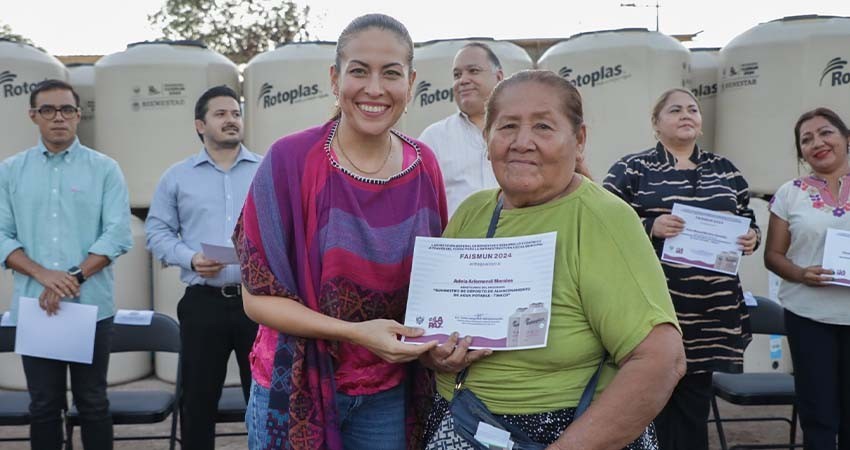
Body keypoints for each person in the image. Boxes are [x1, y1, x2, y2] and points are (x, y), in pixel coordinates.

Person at [422, 70, 685, 450]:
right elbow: (433, 334)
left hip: (566, 435)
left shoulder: (602, 218)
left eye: (543, 127)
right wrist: (438, 357)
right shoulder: (472, 212)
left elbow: (662, 361)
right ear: (487, 138)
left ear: (578, 140)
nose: (522, 142)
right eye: (507, 126)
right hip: (463, 423)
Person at [233, 14, 448, 450]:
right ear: (335, 79)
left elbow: (436, 284)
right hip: (296, 387)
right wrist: (355, 332)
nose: (374, 88)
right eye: (358, 71)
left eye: (391, 73)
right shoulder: (290, 160)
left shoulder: (425, 165)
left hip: (387, 391)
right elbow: (256, 299)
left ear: (411, 83)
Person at [604, 88, 760, 450]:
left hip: (710, 313)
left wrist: (752, 236)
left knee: (693, 409)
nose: (686, 114)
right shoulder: (633, 168)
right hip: (654, 308)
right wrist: (650, 226)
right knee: (647, 405)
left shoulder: (726, 170)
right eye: (675, 110)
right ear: (656, 123)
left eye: (693, 109)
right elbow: (604, 221)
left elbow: (748, 220)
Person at [0, 79, 132, 449]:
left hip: (91, 308)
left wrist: (71, 278)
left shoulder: (105, 169)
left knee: (92, 403)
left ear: (78, 115)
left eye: (67, 110)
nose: (58, 117)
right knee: (43, 406)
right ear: (33, 115)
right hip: (36, 307)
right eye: (48, 110)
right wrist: (43, 275)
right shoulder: (10, 172)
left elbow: (118, 233)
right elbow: (2, 234)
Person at [145, 85, 260, 449]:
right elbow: (156, 231)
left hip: (258, 302)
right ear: (200, 125)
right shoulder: (177, 177)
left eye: (236, 114)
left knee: (263, 396)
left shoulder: (266, 170)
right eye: (221, 114)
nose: (231, 120)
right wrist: (189, 257)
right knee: (197, 400)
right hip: (202, 303)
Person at [764, 107, 850, 450]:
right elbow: (772, 255)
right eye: (806, 139)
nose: (817, 142)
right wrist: (801, 274)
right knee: (818, 416)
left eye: (826, 132)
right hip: (809, 317)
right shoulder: (790, 193)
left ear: (846, 138)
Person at [419, 42, 504, 216]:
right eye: (457, 75)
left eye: (473, 71)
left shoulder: (521, 134)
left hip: (515, 239)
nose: (463, 80)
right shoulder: (433, 138)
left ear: (499, 77)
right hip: (455, 241)